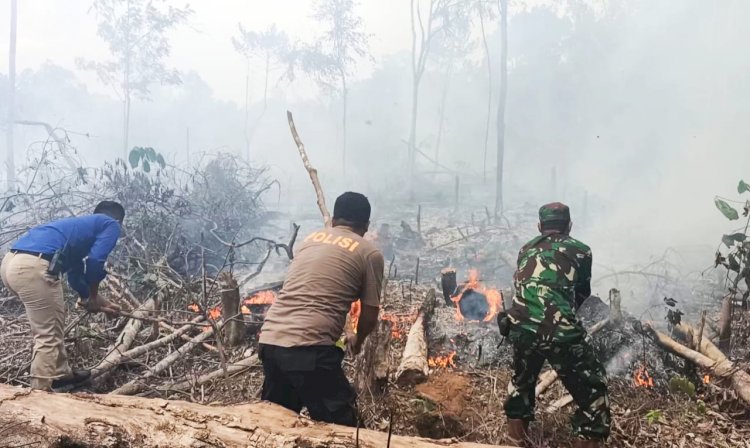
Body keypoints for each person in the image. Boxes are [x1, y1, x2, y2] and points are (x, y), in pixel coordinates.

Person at [258, 192, 385, 426]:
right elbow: (370, 314)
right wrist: (358, 339)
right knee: (344, 432)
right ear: (366, 226)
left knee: (276, 427)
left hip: (270, 342)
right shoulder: (370, 253)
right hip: (310, 351)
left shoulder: (310, 241)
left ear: (334, 220)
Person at [503, 202, 610, 448]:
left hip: (520, 327)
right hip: (560, 329)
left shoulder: (525, 249)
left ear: (540, 226)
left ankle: (513, 442)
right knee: (593, 394)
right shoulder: (582, 251)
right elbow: (582, 294)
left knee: (521, 385)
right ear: (569, 226)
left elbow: (520, 288)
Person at [0, 201, 125, 391]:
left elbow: (75, 275)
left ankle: (60, 376)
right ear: (119, 221)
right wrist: (93, 296)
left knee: (52, 321)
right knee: (47, 335)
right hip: (33, 266)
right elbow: (95, 261)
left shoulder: (78, 229)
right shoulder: (111, 224)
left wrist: (92, 299)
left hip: (11, 263)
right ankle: (38, 397)